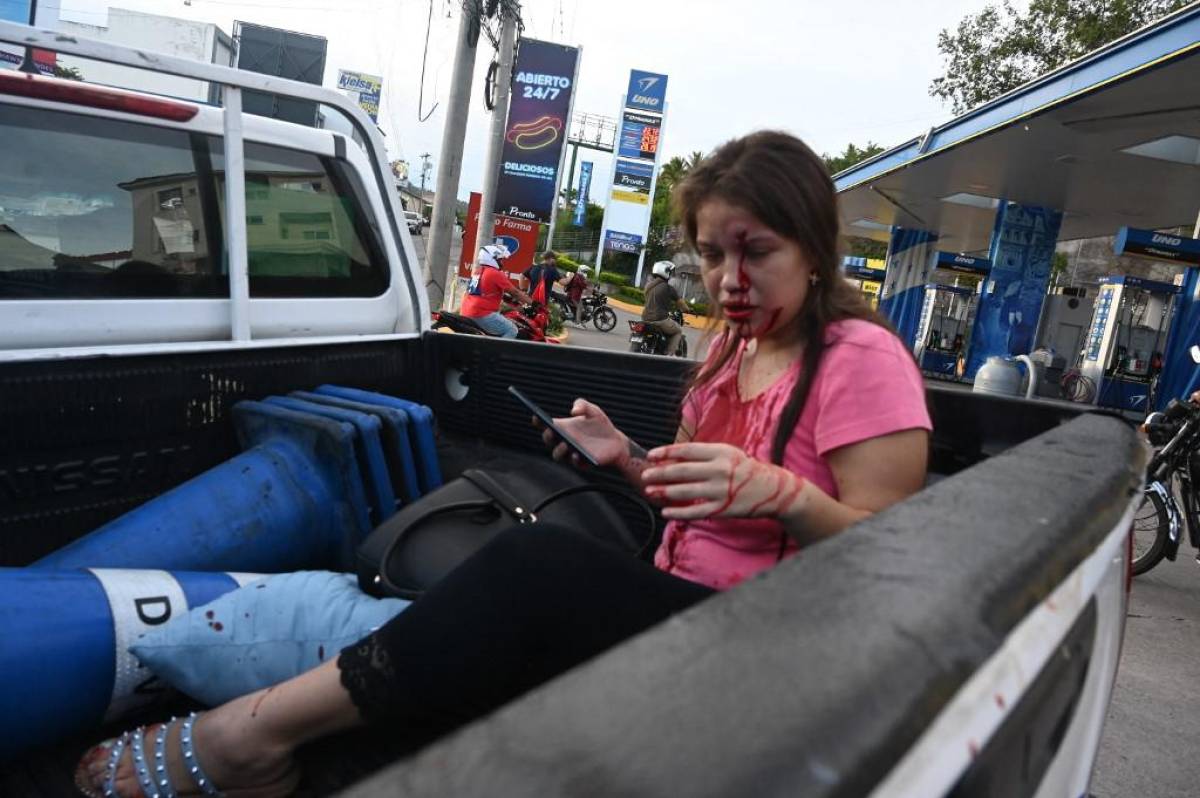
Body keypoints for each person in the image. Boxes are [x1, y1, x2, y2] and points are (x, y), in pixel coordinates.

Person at [76, 130, 933, 798]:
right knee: (505, 566)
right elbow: (707, 511)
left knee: (537, 565)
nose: (729, 278)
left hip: (771, 649)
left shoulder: (858, 356)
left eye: (757, 251)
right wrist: (629, 464)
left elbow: (899, 557)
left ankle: (247, 738)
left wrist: (783, 493)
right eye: (712, 254)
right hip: (684, 610)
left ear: (813, 249)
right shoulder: (728, 353)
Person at [459, 244, 533, 338]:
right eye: (500, 259)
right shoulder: (494, 273)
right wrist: (533, 303)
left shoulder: (478, 271)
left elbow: (485, 291)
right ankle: (497, 352)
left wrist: (508, 299)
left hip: (466, 311)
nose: (502, 262)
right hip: (481, 313)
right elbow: (515, 293)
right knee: (511, 330)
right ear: (491, 259)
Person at [641, 260, 688, 355]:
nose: (671, 274)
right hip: (659, 319)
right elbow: (681, 303)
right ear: (666, 272)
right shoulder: (668, 288)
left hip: (645, 318)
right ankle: (668, 355)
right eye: (670, 272)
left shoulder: (648, 286)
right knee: (678, 331)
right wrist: (688, 309)